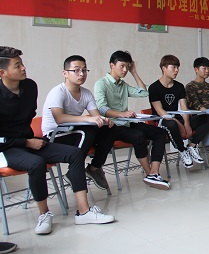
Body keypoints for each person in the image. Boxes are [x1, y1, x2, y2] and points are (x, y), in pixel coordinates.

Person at [0, 46, 114, 235]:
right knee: (36, 163)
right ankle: (44, 214)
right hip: (7, 148)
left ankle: (84, 212)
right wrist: (26, 143)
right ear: (2, 72)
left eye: (22, 64)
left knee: (75, 153)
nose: (23, 68)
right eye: (17, 66)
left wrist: (29, 140)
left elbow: (26, 119)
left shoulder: (30, 86)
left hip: (29, 140)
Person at [94, 50, 169, 190]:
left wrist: (134, 72)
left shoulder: (124, 85)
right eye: (122, 66)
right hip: (112, 127)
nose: (125, 70)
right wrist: (121, 114)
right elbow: (102, 108)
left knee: (159, 132)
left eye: (127, 66)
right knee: (138, 136)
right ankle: (149, 174)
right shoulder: (101, 84)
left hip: (127, 123)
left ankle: (154, 172)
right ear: (112, 65)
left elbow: (145, 92)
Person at [41, 55, 118, 191]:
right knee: (87, 131)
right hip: (54, 136)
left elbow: (96, 117)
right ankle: (74, 171)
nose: (81, 74)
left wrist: (105, 120)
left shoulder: (86, 93)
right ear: (65, 73)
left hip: (74, 132)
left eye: (84, 70)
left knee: (110, 129)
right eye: (76, 70)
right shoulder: (58, 92)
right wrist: (88, 119)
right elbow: (59, 118)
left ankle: (94, 168)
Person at [148, 54, 209, 169]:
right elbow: (160, 110)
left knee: (206, 117)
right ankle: (182, 150)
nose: (177, 70)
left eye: (178, 67)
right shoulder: (154, 88)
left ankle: (192, 146)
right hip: (161, 121)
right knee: (172, 124)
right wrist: (179, 124)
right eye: (173, 67)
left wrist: (186, 123)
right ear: (164, 68)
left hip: (177, 118)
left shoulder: (179, 86)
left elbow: (184, 107)